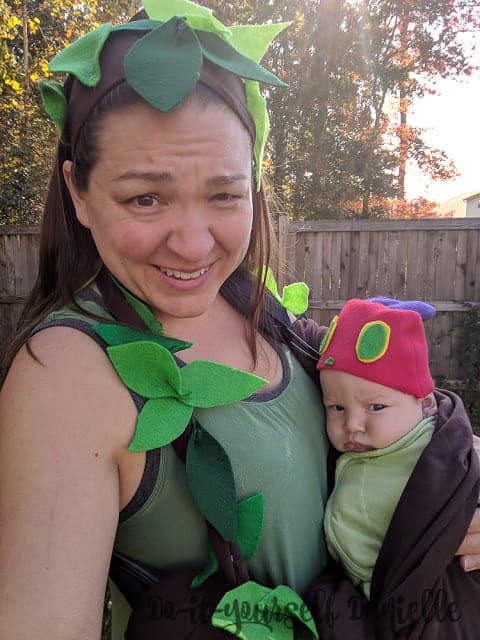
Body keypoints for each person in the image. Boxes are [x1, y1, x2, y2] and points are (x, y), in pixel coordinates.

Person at [0, 2, 479, 639]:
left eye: (225, 195)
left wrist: (452, 486)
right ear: (78, 192)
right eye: (146, 197)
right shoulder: (65, 374)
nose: (195, 247)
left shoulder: (257, 308)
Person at [311, 298, 480, 638]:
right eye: (337, 407)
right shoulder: (368, 451)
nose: (353, 424)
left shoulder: (436, 451)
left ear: (425, 403)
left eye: (376, 406)